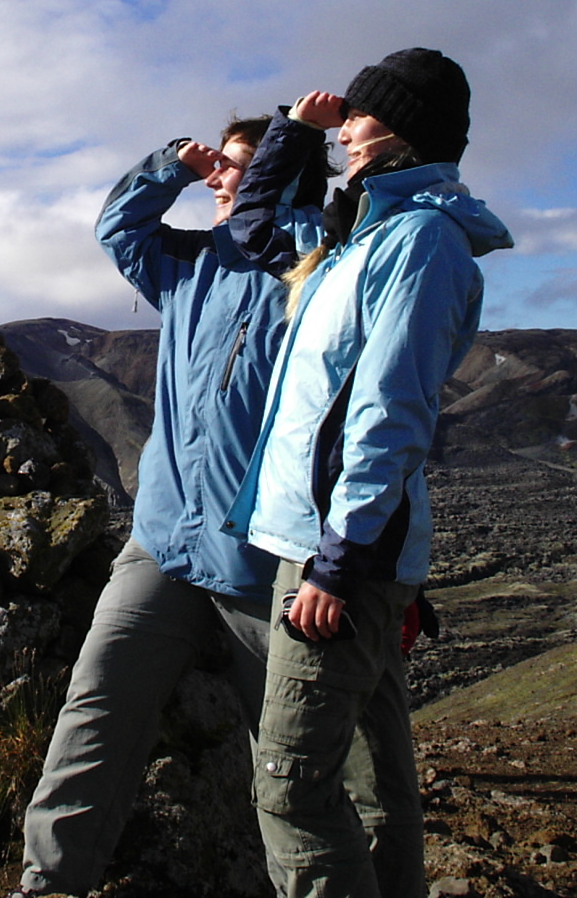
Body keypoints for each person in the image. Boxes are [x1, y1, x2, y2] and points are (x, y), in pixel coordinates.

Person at [10, 113, 331, 898]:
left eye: (238, 169)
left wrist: (284, 153)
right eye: (219, 168)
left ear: (280, 178)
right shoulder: (189, 266)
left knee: (294, 767)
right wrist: (171, 166)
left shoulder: (310, 259)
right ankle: (47, 885)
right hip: (160, 544)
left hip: (264, 566)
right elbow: (118, 228)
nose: (221, 179)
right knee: (94, 713)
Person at [225, 48, 513, 898]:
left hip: (335, 559)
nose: (344, 129)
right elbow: (252, 227)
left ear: (403, 132)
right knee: (374, 786)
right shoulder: (358, 237)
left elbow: (389, 411)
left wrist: (343, 564)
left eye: (360, 116)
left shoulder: (420, 243)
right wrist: (290, 131)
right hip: (333, 550)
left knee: (289, 790)